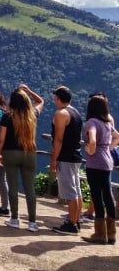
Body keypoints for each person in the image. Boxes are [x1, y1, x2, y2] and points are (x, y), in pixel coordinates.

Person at [0, 84, 44, 233]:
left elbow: (1, 139)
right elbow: (41, 101)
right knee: (30, 189)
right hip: (29, 153)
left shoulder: (8, 116)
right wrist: (28, 90)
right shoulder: (33, 114)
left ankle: (14, 219)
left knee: (13, 186)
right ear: (26, 101)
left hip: (10, 153)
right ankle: (32, 223)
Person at [82, 93, 118, 244]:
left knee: (97, 197)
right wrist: (107, 149)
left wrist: (90, 151)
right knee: (108, 196)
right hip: (107, 161)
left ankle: (99, 234)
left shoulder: (91, 122)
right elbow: (117, 136)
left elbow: (92, 141)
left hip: (95, 163)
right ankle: (111, 234)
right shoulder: (107, 123)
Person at [50, 86, 84, 235]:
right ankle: (76, 222)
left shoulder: (61, 114)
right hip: (76, 156)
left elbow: (58, 139)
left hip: (66, 157)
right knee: (76, 191)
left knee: (70, 193)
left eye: (55, 98)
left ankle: (71, 224)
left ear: (58, 98)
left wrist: (54, 159)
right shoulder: (76, 112)